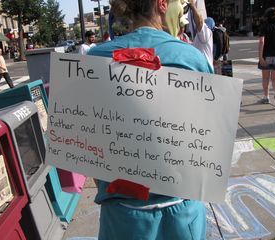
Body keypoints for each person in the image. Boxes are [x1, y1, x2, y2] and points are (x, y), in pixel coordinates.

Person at [88, 0, 212, 239]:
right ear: (161, 4)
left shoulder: (94, 59)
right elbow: (208, 141)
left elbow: (87, 146)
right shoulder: (192, 59)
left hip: (122, 212)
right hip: (182, 210)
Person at [258, 7, 275, 108]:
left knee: (265, 78)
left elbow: (261, 41)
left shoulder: (264, 27)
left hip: (266, 55)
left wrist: (260, 57)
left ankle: (266, 97)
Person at [188, 0, 214, 69]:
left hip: (205, 71)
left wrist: (193, 6)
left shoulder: (206, 34)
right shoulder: (198, 36)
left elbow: (199, 22)